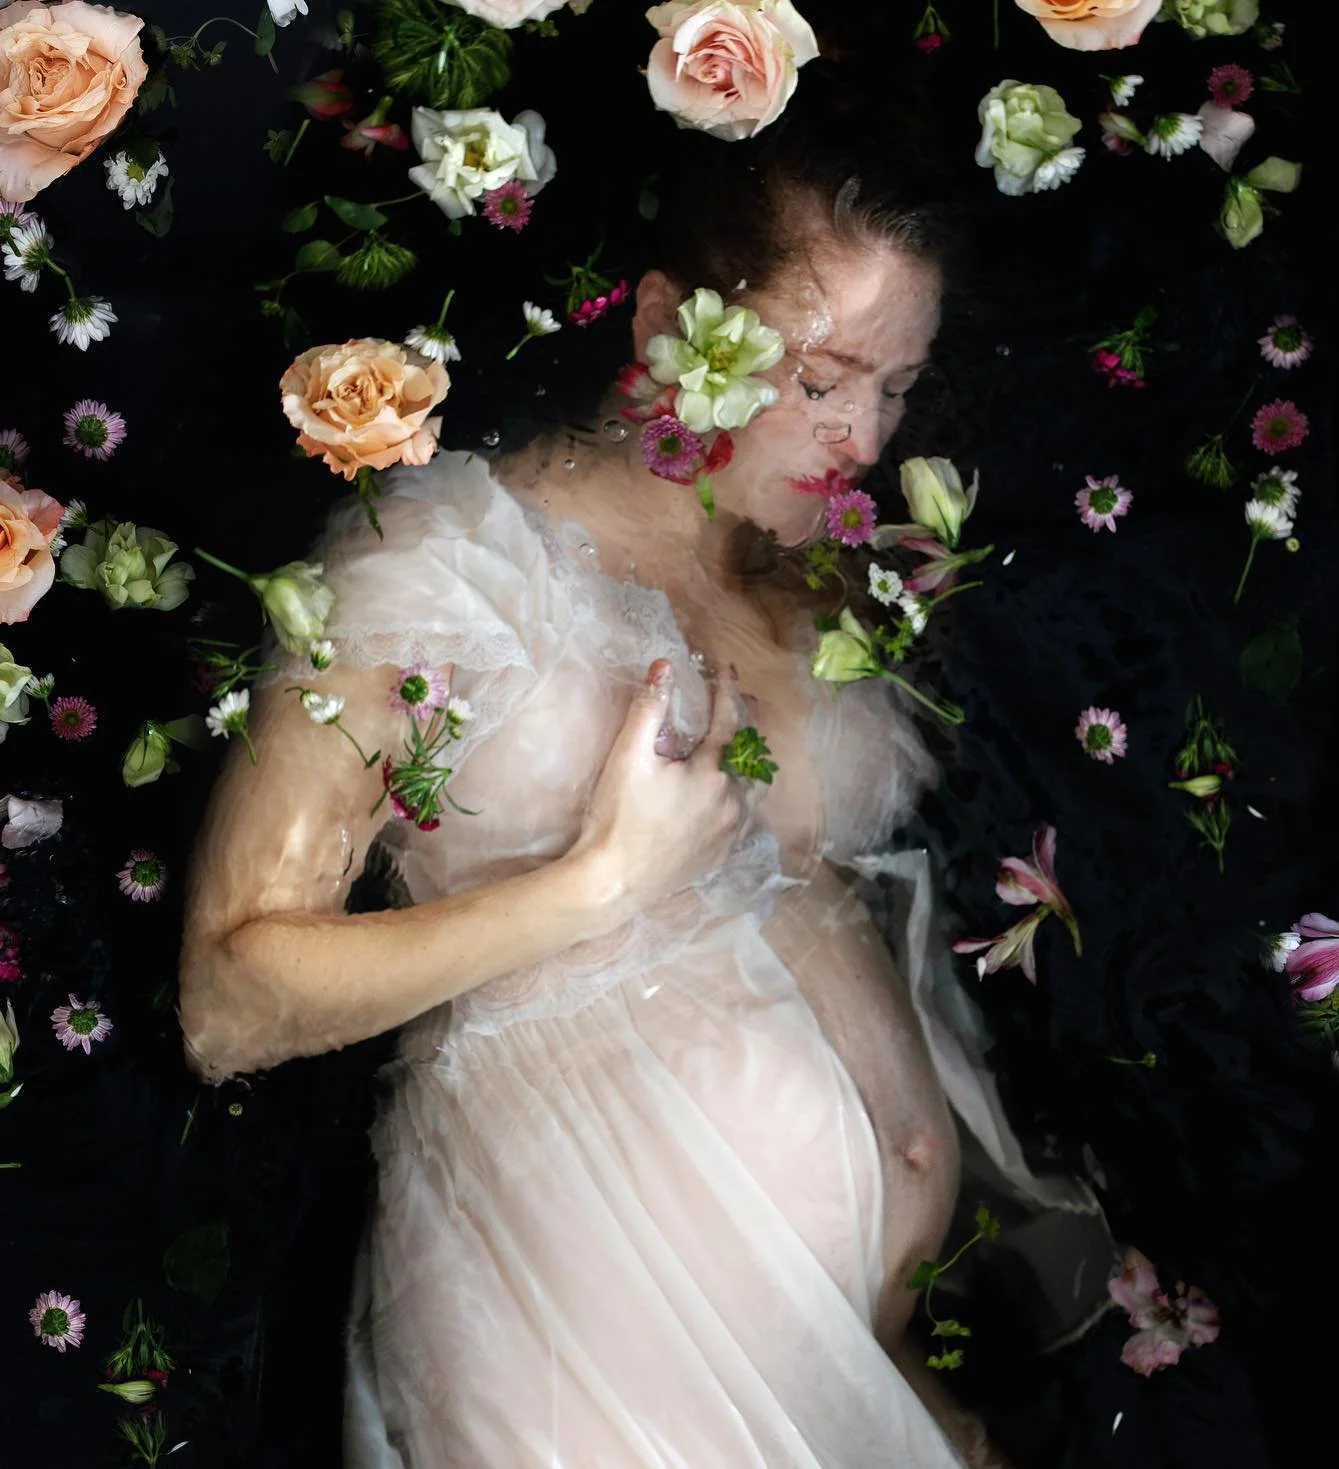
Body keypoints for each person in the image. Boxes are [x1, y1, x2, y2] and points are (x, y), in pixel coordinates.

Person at [178, 80, 1110, 1469]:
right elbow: (229, 1001)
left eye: (897, 388)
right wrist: (600, 882)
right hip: (572, 1341)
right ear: (669, 321)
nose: (866, 442)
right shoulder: (449, 568)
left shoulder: (809, 583)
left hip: (841, 1365)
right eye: (820, 380)